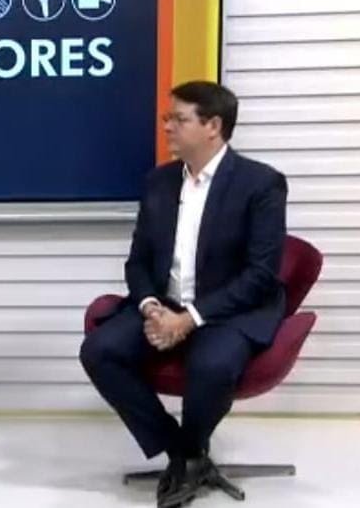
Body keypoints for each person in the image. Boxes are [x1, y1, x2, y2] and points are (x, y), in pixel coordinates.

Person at [79, 81, 288, 507]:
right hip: (165, 304)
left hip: (228, 310)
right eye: (166, 118)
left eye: (178, 118)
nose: (167, 127)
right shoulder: (158, 182)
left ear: (213, 126)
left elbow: (260, 276)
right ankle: (184, 451)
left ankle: (189, 456)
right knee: (99, 351)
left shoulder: (261, 184)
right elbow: (138, 261)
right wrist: (150, 306)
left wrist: (189, 319)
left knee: (212, 365)